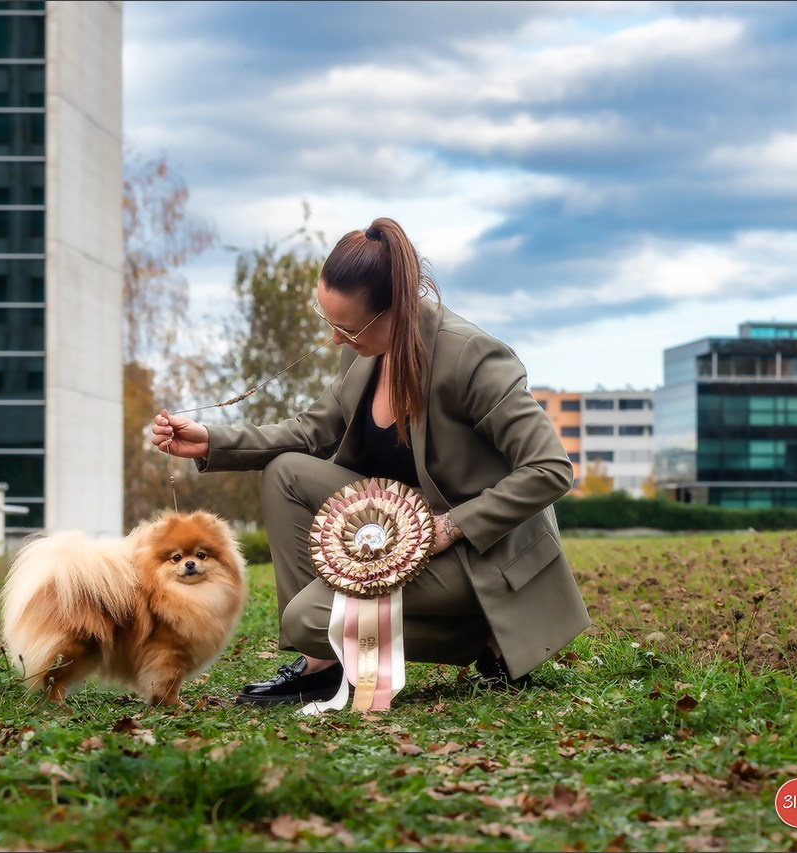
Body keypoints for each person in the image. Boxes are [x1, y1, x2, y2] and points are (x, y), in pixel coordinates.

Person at [151, 216, 589, 706]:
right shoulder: (366, 351)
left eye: (347, 327)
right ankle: (322, 665)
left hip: (479, 552)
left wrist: (453, 526)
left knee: (310, 618)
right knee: (286, 473)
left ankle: (489, 637)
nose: (337, 339)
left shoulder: (473, 358)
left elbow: (550, 468)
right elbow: (308, 432)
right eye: (329, 322)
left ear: (394, 310)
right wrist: (210, 440)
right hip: (401, 528)